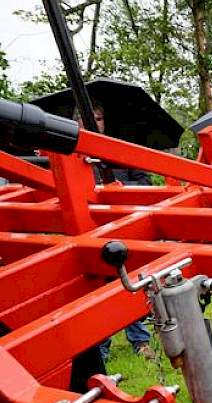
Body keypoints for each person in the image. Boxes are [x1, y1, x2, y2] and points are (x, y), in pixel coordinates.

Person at [73, 103, 155, 363]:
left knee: (128, 282)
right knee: (95, 290)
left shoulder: (118, 152)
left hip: (122, 228)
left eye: (98, 118)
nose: (94, 123)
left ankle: (140, 341)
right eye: (88, 119)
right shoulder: (70, 158)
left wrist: (117, 188)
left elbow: (144, 182)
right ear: (77, 124)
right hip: (87, 230)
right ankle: (100, 346)